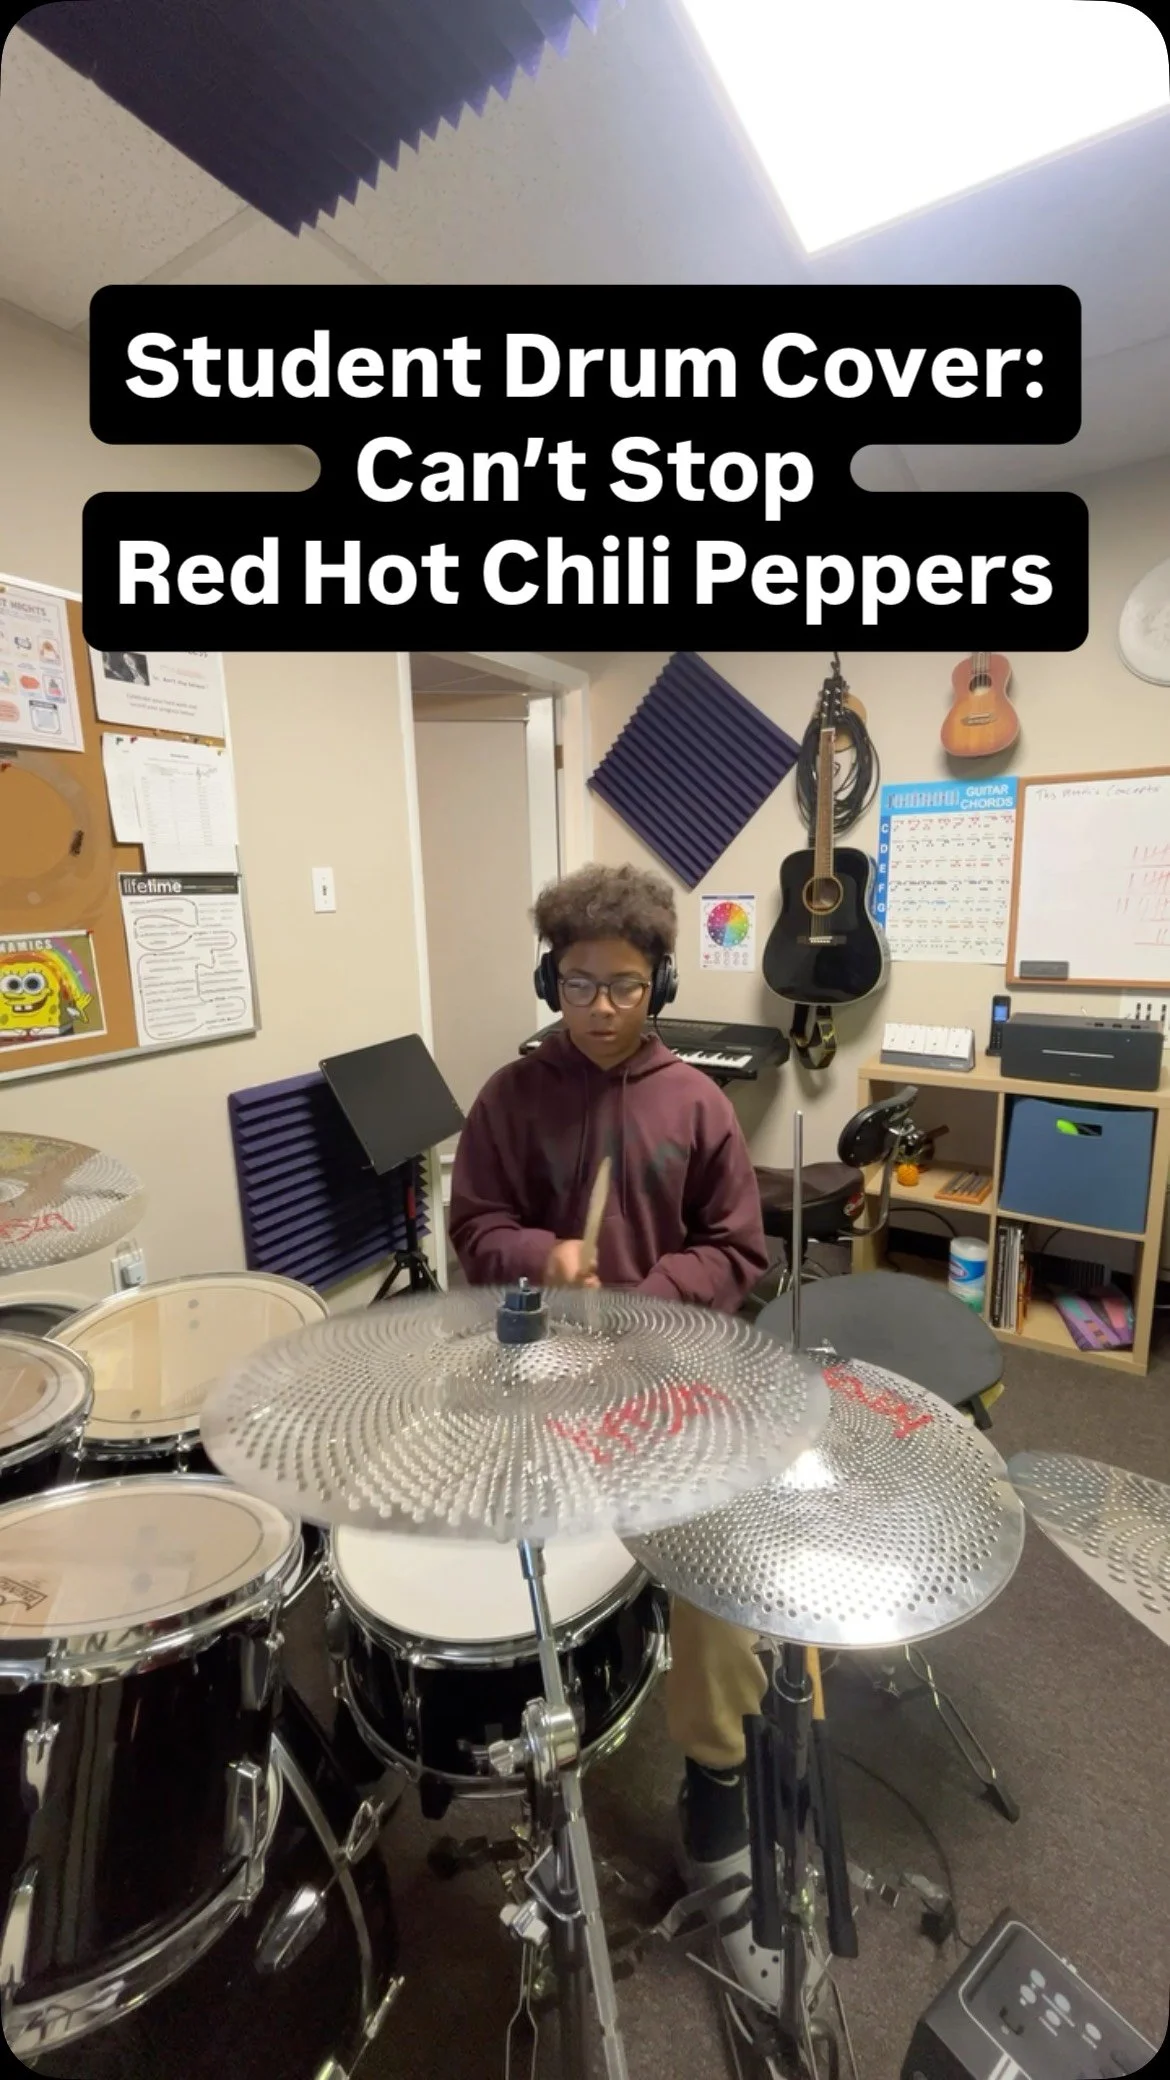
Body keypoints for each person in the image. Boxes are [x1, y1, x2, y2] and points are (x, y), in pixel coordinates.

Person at [449, 860, 781, 1995]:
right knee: (505, 1562)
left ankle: (718, 1792)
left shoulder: (696, 1104)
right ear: (551, 980)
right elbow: (474, 1227)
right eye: (580, 984)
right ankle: (534, 1765)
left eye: (625, 986)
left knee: (715, 1571)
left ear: (660, 986)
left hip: (667, 1376)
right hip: (540, 1375)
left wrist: (648, 1293)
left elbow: (738, 1249)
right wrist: (541, 1255)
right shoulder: (509, 1097)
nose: (600, 1007)